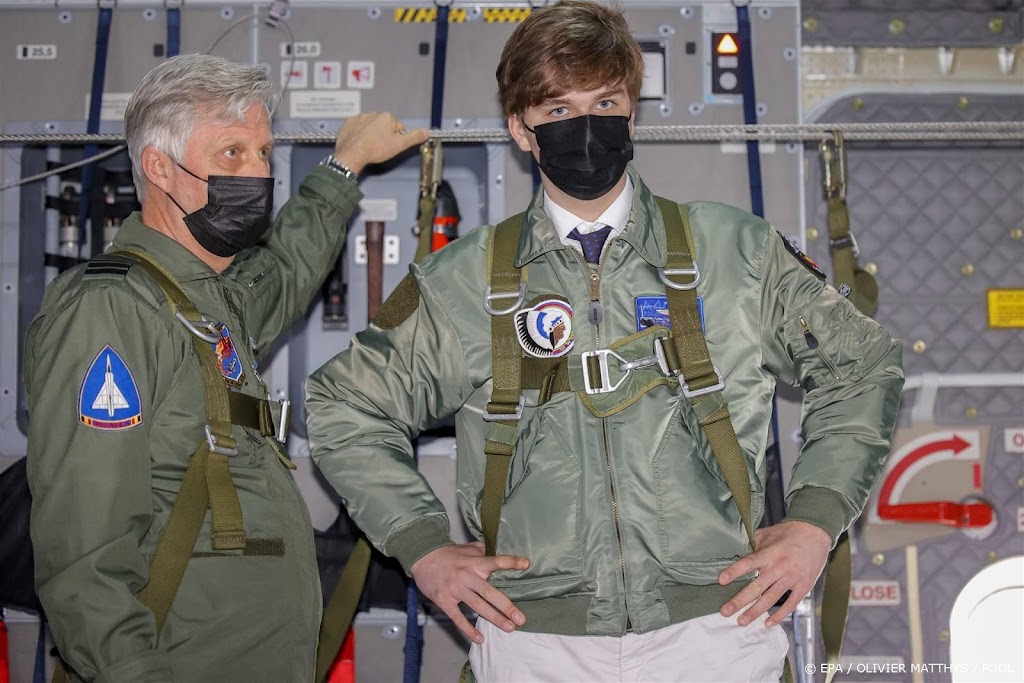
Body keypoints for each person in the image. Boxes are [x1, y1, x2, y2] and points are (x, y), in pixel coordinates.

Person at [305, 1, 904, 680]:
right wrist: (422, 546)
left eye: (605, 102)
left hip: (718, 628)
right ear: (521, 130)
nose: (585, 125)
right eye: (558, 109)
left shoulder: (734, 251)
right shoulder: (462, 282)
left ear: (632, 114)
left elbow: (863, 364)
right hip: (535, 640)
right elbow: (343, 405)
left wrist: (815, 522)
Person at [24, 53, 426, 682]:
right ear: (159, 167)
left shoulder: (205, 301)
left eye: (263, 152)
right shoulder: (112, 308)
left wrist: (345, 165)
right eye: (232, 153)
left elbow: (286, 268)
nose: (258, 172)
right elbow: (85, 554)